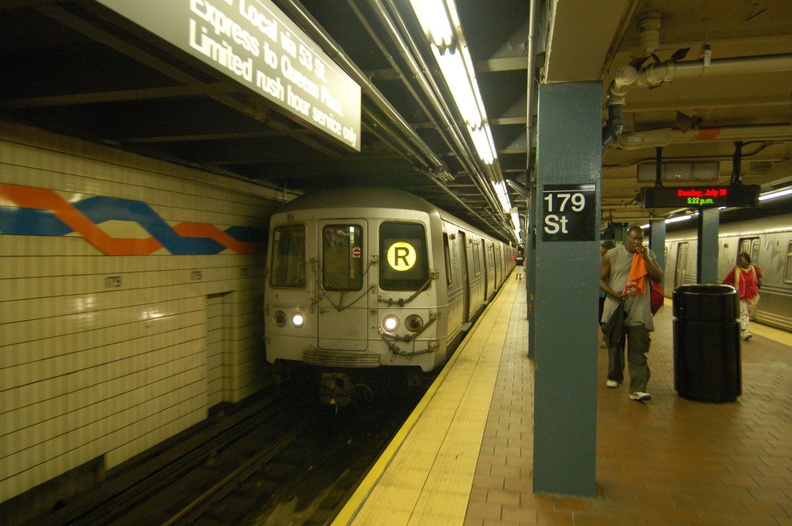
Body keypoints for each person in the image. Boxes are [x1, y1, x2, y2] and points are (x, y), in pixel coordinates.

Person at [600, 226, 664, 402]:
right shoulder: (611, 255)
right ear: (627, 238)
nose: (637, 242)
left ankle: (638, 388)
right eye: (634, 238)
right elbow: (600, 279)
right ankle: (615, 376)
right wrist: (613, 293)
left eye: (640, 239)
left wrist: (645, 257)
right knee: (615, 346)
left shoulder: (647, 254)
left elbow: (658, 277)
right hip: (615, 308)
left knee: (638, 350)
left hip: (639, 310)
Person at [723, 252, 760, 340]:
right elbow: (726, 281)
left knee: (748, 313)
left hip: (753, 296)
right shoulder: (735, 270)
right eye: (738, 260)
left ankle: (739, 328)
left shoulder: (755, 269)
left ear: (747, 261)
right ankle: (744, 331)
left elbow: (759, 280)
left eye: (741, 260)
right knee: (744, 314)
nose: (739, 262)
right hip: (740, 296)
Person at [598, 240, 617, 347]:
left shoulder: (615, 260)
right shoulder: (600, 260)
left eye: (603, 248)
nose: (601, 250)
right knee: (601, 316)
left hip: (611, 294)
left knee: (609, 316)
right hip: (601, 294)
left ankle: (607, 336)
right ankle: (606, 334)